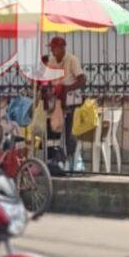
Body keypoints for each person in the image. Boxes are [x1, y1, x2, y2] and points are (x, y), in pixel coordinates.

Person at [39, 35, 87, 171]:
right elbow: (47, 79)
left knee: (67, 132)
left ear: (62, 48)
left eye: (55, 48)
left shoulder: (72, 60)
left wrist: (67, 89)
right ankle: (53, 159)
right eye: (52, 48)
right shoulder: (52, 61)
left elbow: (82, 80)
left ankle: (66, 159)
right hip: (55, 102)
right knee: (50, 131)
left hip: (70, 101)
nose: (53, 51)